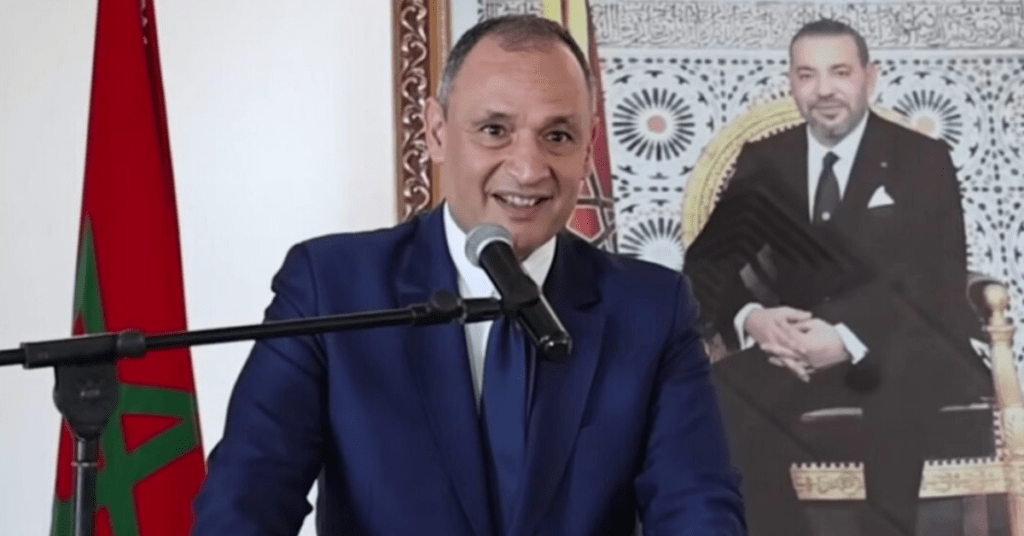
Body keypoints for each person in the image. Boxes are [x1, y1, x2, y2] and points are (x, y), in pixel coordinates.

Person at [192, 14, 745, 536]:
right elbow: (245, 502)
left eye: (557, 136)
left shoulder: (651, 307)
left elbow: (697, 507)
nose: (527, 169)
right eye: (495, 130)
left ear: (588, 146)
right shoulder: (330, 287)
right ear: (436, 132)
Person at [684, 19, 991, 536]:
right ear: (791, 83)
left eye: (840, 72)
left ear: (871, 76)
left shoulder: (921, 158)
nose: (824, 89)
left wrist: (845, 336)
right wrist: (754, 318)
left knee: (896, 386)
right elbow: (705, 265)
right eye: (808, 75)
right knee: (716, 399)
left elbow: (934, 277)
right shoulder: (768, 159)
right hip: (797, 347)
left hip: (904, 340)